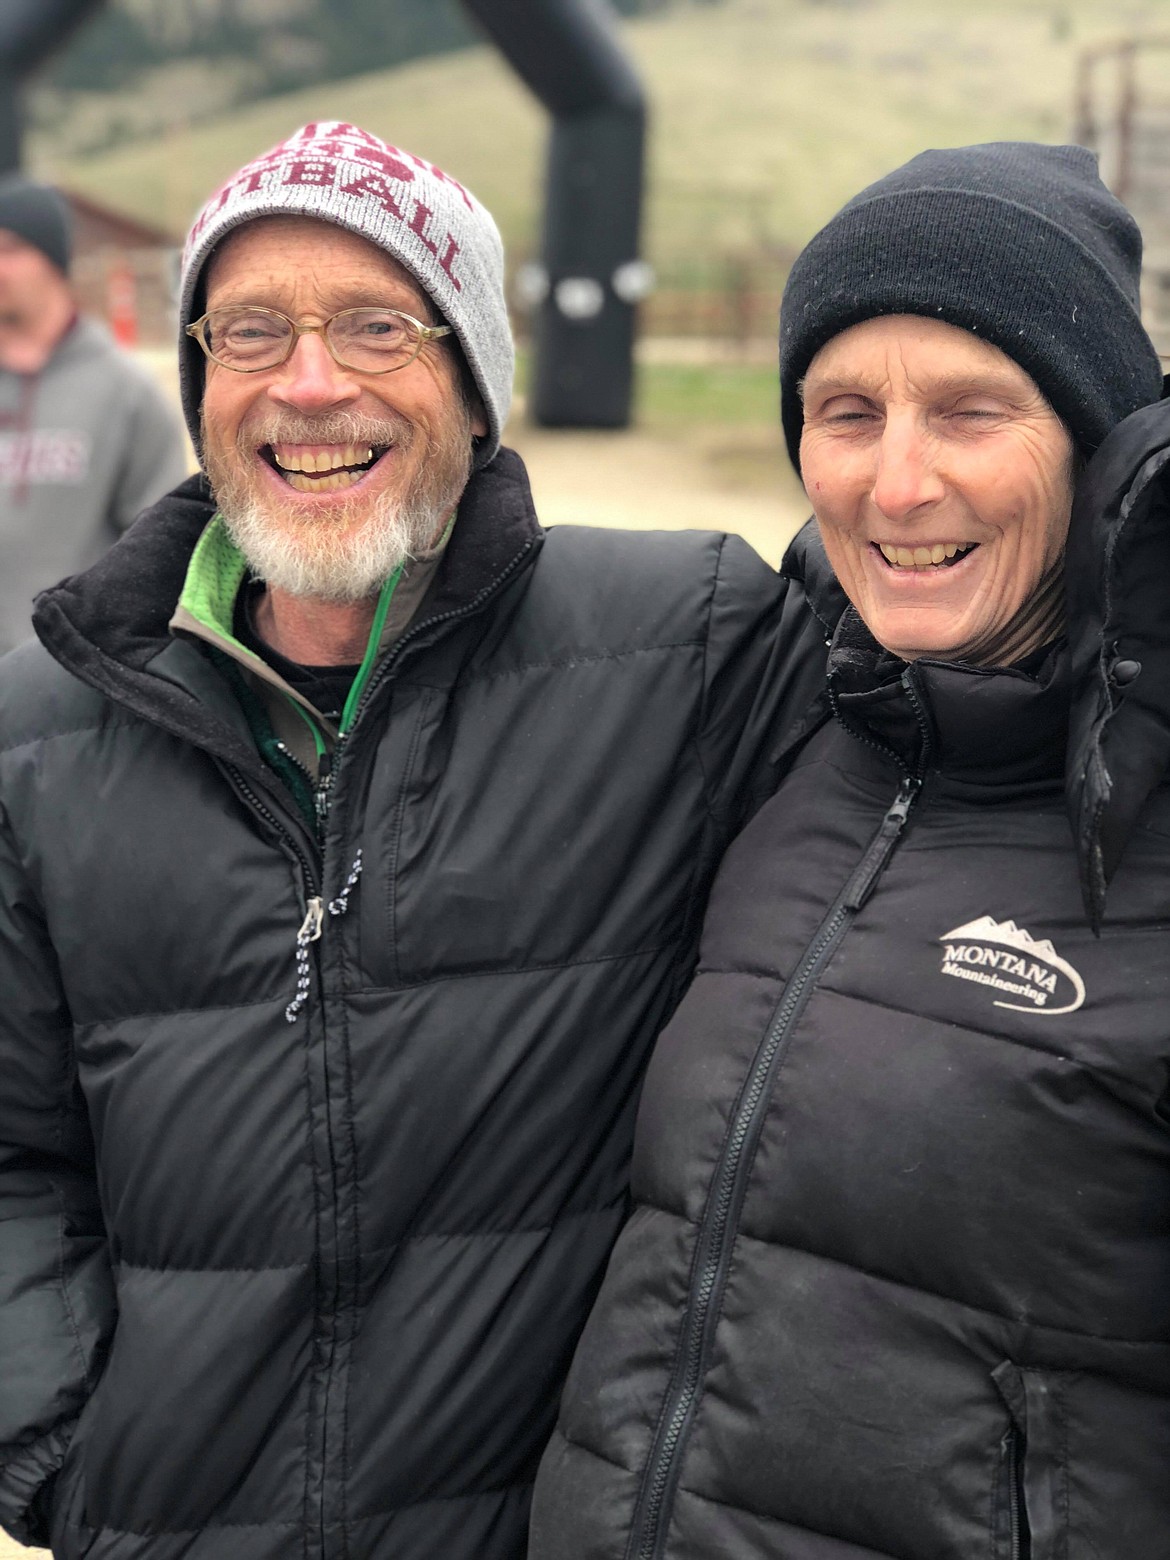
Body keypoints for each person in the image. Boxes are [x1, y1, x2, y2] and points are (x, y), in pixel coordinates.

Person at [0, 123, 828, 1560]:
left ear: (470, 377)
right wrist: (66, 1449)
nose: (308, 386)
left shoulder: (682, 650)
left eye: (376, 324)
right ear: (199, 383)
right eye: (251, 329)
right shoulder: (37, 730)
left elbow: (964, 677)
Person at [530, 143, 1170, 1560]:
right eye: (842, 412)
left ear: (1097, 441)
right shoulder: (775, 734)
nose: (893, 484)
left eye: (967, 411)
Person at [0, 175, 188, 653]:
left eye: (12, 249)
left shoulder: (125, 392)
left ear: (55, 261)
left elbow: (157, 552)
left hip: (67, 675)